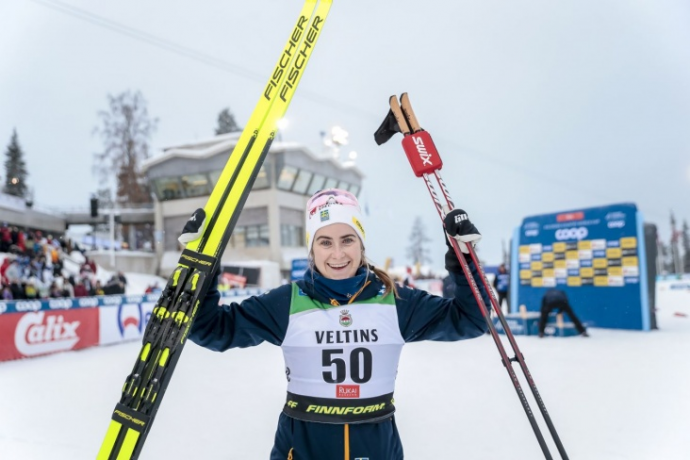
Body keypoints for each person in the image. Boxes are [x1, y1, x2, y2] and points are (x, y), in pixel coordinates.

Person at [188, 188, 490, 460]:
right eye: (325, 242)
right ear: (312, 248)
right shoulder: (287, 302)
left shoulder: (394, 301)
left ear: (361, 244)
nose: (337, 254)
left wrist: (464, 260)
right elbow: (211, 329)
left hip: (376, 448)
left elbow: (471, 319)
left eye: (347, 240)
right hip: (303, 447)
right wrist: (203, 265)